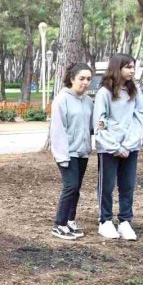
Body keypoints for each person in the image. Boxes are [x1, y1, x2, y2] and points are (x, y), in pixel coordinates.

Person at [93, 53, 143, 240]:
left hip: (130, 147)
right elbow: (100, 122)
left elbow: (140, 116)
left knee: (128, 185)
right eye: (128, 67)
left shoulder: (135, 90)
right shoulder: (104, 93)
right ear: (117, 68)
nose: (132, 70)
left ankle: (125, 221)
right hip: (109, 148)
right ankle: (105, 220)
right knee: (107, 186)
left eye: (133, 67)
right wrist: (115, 146)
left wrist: (129, 144)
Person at [49, 63, 94, 240]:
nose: (85, 82)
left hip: (82, 152)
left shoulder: (88, 101)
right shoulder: (62, 99)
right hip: (67, 152)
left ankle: (69, 221)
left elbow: (90, 126)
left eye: (88, 79)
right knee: (71, 186)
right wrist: (62, 156)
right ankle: (59, 224)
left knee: (76, 188)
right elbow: (57, 130)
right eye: (81, 78)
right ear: (72, 78)